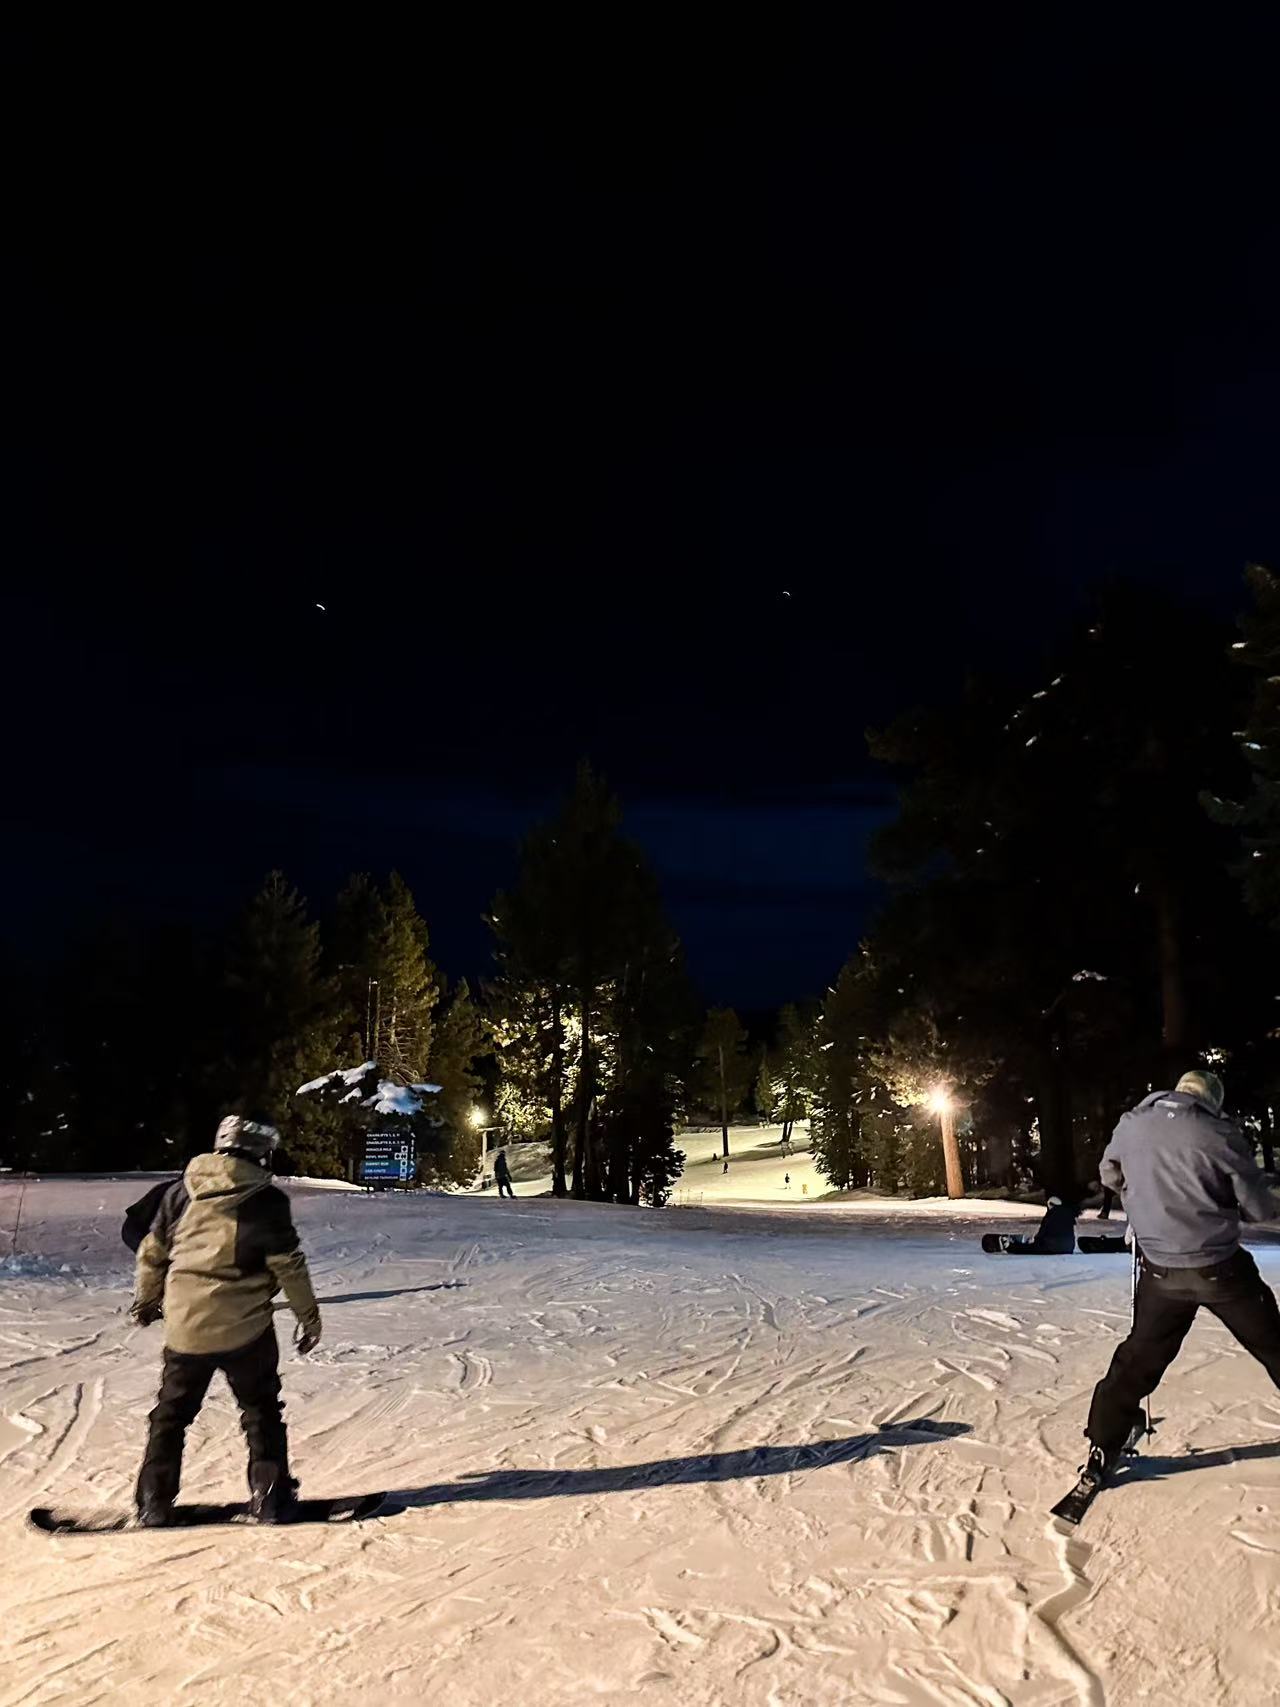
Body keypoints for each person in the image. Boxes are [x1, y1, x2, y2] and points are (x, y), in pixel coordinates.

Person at [1083, 1070, 1280, 1478]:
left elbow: (1109, 1174)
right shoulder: (1218, 1132)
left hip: (1160, 1271)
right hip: (1219, 1269)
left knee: (1138, 1358)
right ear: (1211, 1101)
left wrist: (1145, 1199)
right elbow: (1260, 1209)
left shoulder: (1132, 1123)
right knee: (1274, 1345)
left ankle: (1103, 1442)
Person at [131, 1112, 322, 1527]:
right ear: (260, 1152)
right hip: (245, 1329)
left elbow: (153, 1252)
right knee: (260, 1410)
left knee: (171, 1414)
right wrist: (309, 1318)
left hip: (186, 1327)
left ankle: (153, 1502)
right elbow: (288, 1264)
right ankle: (271, 1500)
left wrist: (146, 1300)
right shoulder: (266, 1199)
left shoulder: (180, 1192)